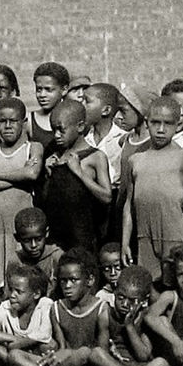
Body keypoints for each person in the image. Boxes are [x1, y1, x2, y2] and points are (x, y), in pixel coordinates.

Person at [120, 96, 183, 279]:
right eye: (155, 122)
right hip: (145, 236)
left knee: (177, 285)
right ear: (147, 122)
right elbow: (129, 205)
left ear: (177, 125)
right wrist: (125, 241)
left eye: (167, 124)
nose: (160, 129)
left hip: (176, 234)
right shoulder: (136, 159)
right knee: (151, 286)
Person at [0, 265, 85, 366]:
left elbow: (44, 335)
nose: (12, 295)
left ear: (36, 294)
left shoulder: (45, 304)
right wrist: (14, 340)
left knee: (48, 346)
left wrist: (15, 346)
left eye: (19, 291)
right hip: (16, 358)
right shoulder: (6, 306)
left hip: (35, 359)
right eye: (11, 290)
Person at [0, 99, 44, 293]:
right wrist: (19, 176)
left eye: (13, 121)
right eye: (2, 121)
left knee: (23, 275)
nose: (7, 126)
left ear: (23, 122)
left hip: (22, 224)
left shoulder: (33, 148)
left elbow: (32, 174)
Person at [83, 266, 174, 366]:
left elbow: (143, 355)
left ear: (144, 300)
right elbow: (103, 352)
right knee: (95, 354)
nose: (125, 304)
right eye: (120, 297)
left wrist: (130, 327)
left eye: (132, 301)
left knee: (161, 364)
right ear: (114, 293)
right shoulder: (106, 316)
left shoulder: (145, 316)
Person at [39, 100, 110, 254]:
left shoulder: (95, 156)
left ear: (80, 127)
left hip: (82, 236)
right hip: (56, 237)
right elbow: (46, 200)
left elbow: (107, 197)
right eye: (54, 130)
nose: (56, 135)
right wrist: (48, 174)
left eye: (61, 130)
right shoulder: (55, 156)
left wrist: (79, 172)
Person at [37, 249, 111, 366]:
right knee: (16, 356)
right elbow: (62, 347)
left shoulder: (102, 308)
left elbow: (102, 354)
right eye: (63, 281)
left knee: (84, 353)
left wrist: (71, 353)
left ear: (89, 280)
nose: (67, 286)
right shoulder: (56, 308)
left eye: (73, 280)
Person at [9, 208, 63, 288]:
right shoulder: (16, 261)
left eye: (38, 239)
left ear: (47, 233)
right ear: (17, 238)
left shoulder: (56, 257)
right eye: (27, 240)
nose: (33, 245)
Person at [29, 62, 70, 152]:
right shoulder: (29, 120)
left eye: (48, 90)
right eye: (39, 89)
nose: (42, 95)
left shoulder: (74, 117)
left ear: (64, 89)